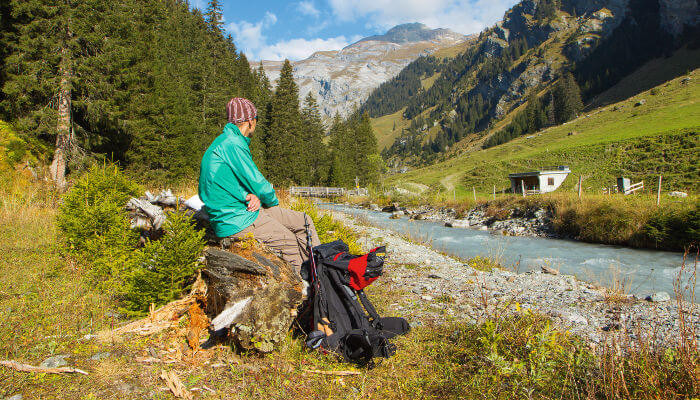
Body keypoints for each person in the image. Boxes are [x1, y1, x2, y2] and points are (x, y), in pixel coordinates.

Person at [198, 97, 320, 272]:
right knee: (291, 244)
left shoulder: (223, 142)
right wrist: (271, 203)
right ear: (250, 121)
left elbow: (213, 185)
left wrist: (245, 195)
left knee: (304, 221)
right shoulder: (233, 144)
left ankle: (317, 272)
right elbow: (260, 185)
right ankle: (306, 291)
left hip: (238, 210)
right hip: (238, 219)